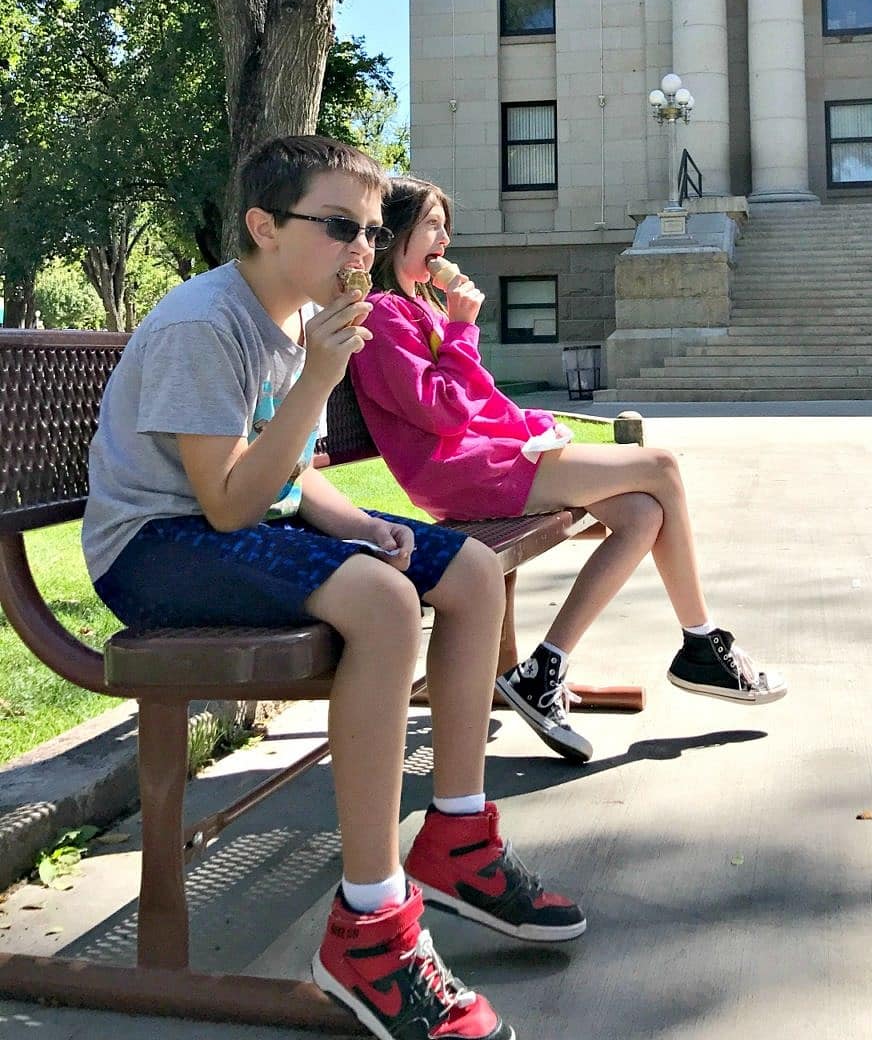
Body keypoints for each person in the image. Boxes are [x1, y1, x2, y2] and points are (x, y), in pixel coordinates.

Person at [83, 136, 584, 1040]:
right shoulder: (210, 324)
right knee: (387, 605)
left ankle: (458, 842)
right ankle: (371, 929)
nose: (363, 249)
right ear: (264, 227)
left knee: (468, 570)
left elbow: (285, 477)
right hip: (155, 549)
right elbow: (230, 505)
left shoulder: (293, 315)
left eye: (370, 230)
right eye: (340, 227)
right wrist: (320, 375)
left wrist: (357, 522)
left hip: (232, 525)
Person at [350, 174, 787, 768]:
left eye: (445, 224)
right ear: (393, 236)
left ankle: (544, 666)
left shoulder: (422, 307)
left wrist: (529, 426)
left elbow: (479, 398)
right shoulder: (382, 316)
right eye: (432, 224)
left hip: (489, 457)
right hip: (457, 473)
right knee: (659, 465)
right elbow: (443, 411)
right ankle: (702, 642)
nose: (446, 237)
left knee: (641, 512)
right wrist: (460, 329)